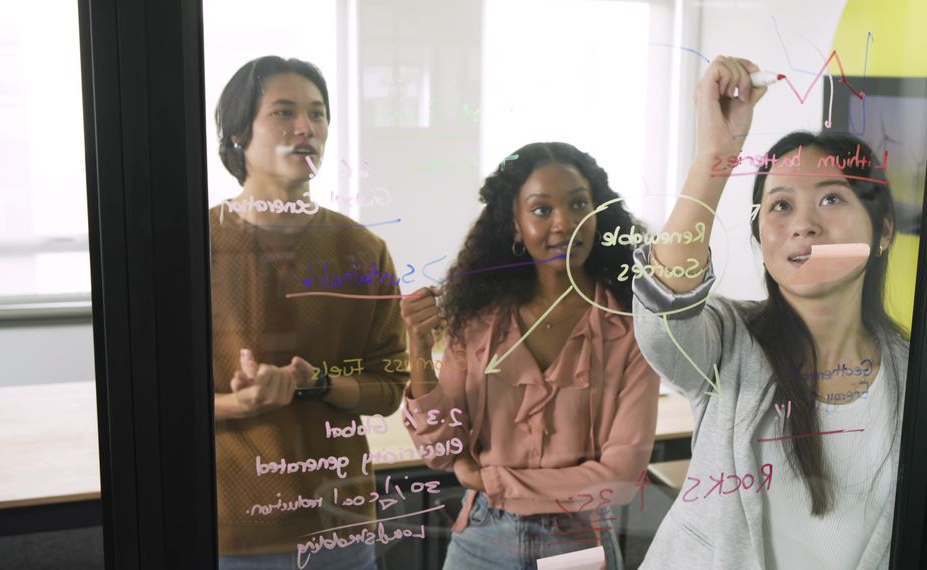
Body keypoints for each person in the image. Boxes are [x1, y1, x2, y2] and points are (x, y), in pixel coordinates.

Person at [631, 56, 927, 569]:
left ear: (883, 232)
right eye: (781, 205)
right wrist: (716, 154)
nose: (804, 225)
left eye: (832, 198)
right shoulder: (727, 342)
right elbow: (662, 314)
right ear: (761, 238)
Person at [399, 142, 661, 569]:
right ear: (515, 226)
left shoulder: (631, 325)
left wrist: (488, 479)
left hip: (577, 544)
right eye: (542, 210)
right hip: (482, 539)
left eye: (579, 204)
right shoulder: (478, 321)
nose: (566, 223)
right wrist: (418, 345)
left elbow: (619, 479)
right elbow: (443, 450)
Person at [209, 56, 408, 570]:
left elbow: (389, 387)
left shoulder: (361, 248)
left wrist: (316, 383)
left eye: (318, 114)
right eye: (283, 113)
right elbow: (147, 402)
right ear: (236, 134)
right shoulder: (194, 245)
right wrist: (242, 403)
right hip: (229, 525)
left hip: (337, 525)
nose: (306, 128)